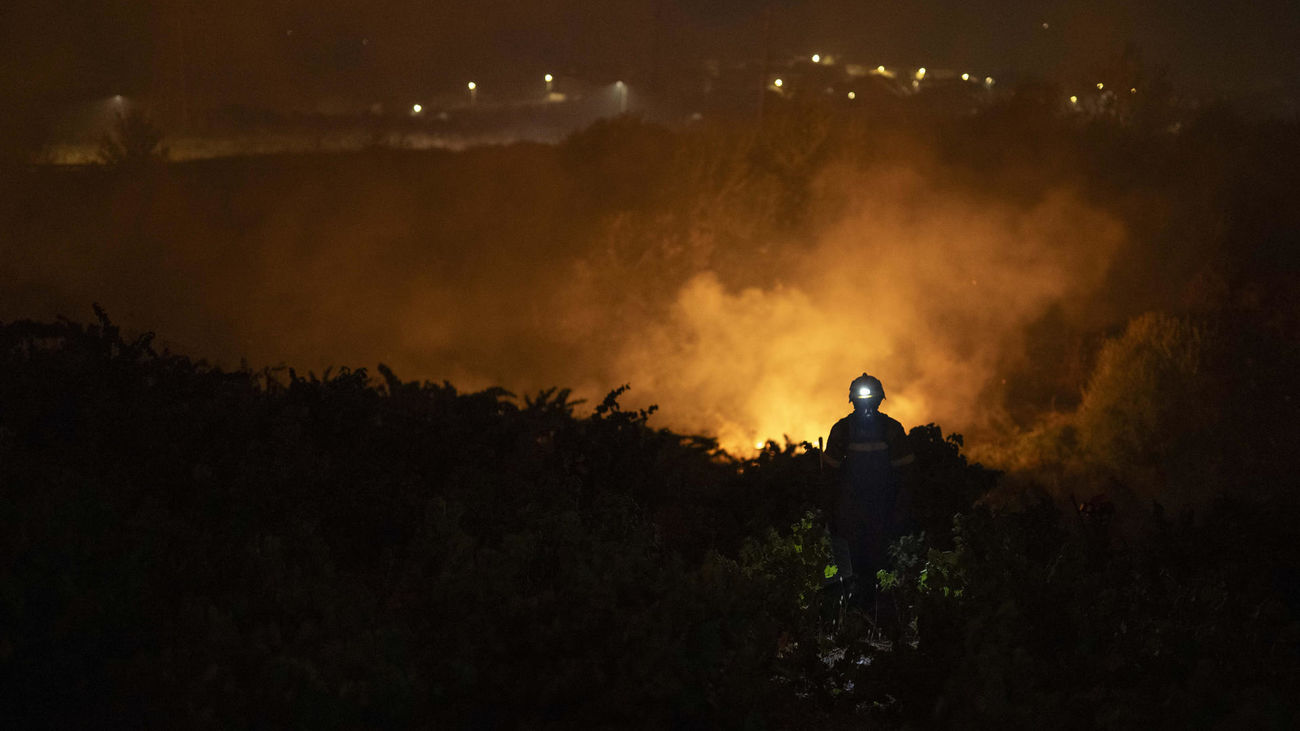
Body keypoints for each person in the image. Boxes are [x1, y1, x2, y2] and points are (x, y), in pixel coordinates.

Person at [820, 373, 915, 620]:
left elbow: (906, 475)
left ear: (880, 402)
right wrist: (830, 511)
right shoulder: (842, 430)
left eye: (870, 401)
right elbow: (829, 477)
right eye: (863, 401)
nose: (867, 407)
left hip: (883, 506)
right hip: (852, 507)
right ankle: (857, 613)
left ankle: (880, 612)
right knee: (853, 563)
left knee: (882, 561)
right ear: (853, 401)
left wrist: (901, 509)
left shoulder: (891, 429)